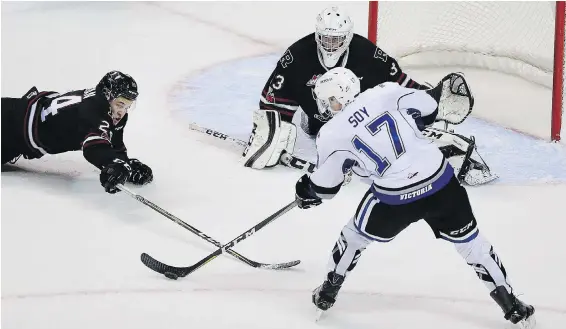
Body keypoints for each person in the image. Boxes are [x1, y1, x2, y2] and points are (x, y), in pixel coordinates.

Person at [294, 67, 535, 328]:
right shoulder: (385, 91)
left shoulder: (330, 134)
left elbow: (325, 188)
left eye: (325, 100)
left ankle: (328, 292)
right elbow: (430, 108)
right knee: (473, 245)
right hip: (442, 184)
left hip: (394, 200)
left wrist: (306, 190)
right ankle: (511, 305)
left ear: (334, 99)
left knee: (354, 236)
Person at [241, 6, 496, 186]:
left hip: (356, 120)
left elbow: (399, 82)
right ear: (318, 35)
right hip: (320, 122)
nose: (330, 45)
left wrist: (425, 101)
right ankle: (314, 121)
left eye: (336, 39)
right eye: (326, 39)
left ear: (348, 37)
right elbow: (271, 99)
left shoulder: (367, 54)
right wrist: (273, 129)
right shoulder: (298, 55)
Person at [1, 71, 153, 194]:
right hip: (8, 130)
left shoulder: (106, 108)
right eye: (120, 104)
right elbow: (94, 148)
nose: (122, 111)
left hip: (14, 120)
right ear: (108, 95)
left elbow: (113, 146)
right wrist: (113, 164)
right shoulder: (94, 111)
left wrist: (125, 165)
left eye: (128, 106)